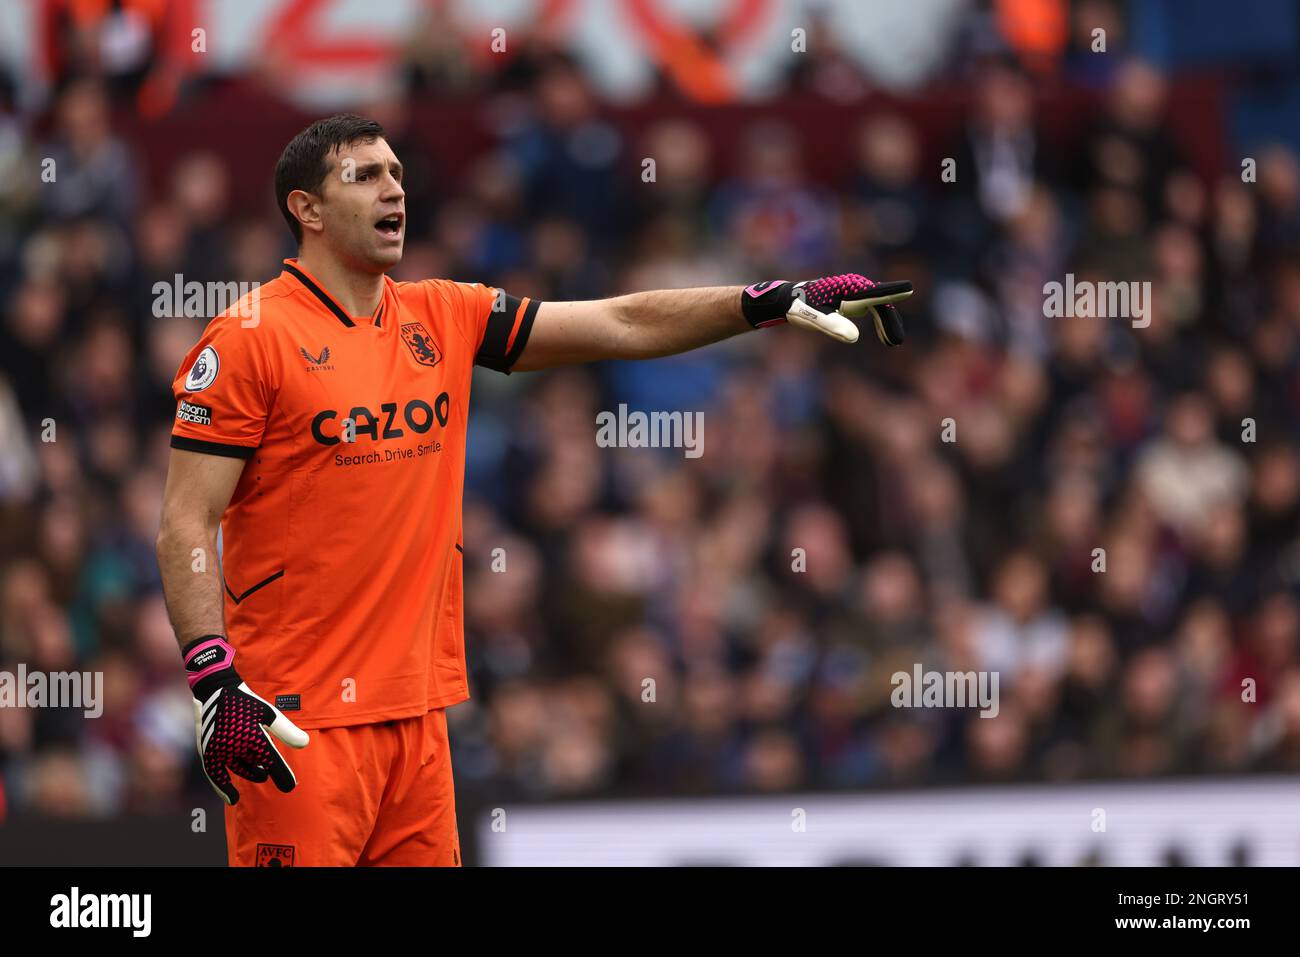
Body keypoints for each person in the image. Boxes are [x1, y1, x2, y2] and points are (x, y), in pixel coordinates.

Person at [154, 113, 911, 866]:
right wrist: (213, 676)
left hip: (419, 721)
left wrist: (763, 302)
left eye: (398, 175)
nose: (395, 191)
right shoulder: (249, 338)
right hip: (294, 722)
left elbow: (620, 321)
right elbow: (187, 521)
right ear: (306, 210)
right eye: (367, 176)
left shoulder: (444, 314)